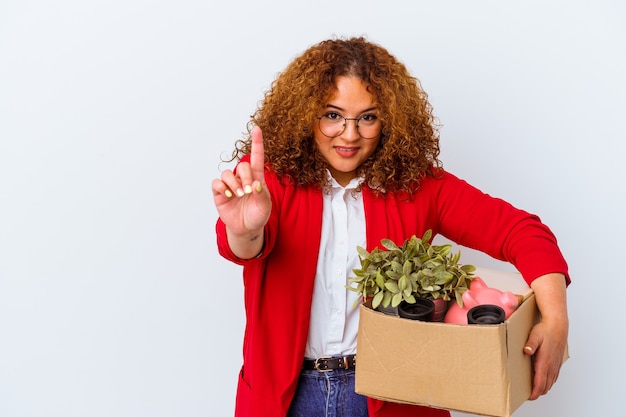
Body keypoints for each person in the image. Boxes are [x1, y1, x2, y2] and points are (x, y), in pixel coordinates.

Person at [212, 37, 570, 417]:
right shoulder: (268, 184)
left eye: (368, 117)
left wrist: (556, 318)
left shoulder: (417, 186)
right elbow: (244, 246)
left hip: (394, 394)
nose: (350, 134)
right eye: (332, 115)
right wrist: (246, 228)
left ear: (389, 120)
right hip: (286, 399)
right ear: (304, 114)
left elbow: (522, 231)